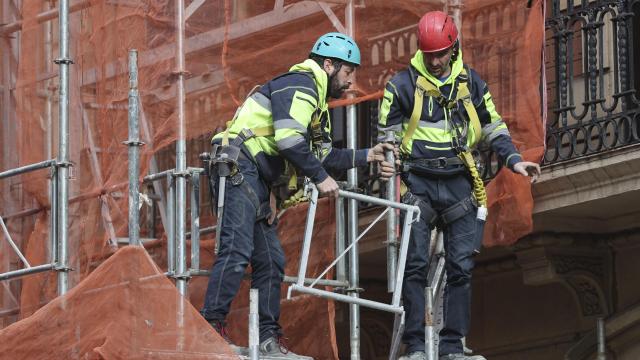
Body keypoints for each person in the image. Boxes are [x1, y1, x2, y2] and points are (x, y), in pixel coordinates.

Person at [201, 32, 396, 359]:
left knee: (271, 260)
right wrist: (320, 179)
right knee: (236, 250)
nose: (351, 82)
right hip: (239, 169)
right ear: (330, 65)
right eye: (349, 73)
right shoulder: (301, 84)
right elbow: (291, 142)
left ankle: (267, 342)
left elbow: (322, 154)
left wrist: (368, 156)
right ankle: (208, 332)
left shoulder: (314, 100)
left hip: (253, 177)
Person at [378, 11, 541, 360]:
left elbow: (494, 126)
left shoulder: (472, 83)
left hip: (459, 185)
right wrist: (387, 164)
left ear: (453, 48)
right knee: (415, 267)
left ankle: (453, 347)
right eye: (429, 53)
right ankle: (416, 347)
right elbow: (387, 136)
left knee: (462, 267)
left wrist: (514, 160)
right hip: (418, 185)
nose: (435, 61)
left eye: (441, 53)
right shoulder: (401, 86)